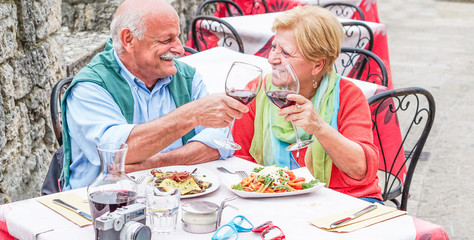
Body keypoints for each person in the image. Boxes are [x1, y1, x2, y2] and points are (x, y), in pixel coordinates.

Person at [61, 0, 248, 190]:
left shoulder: (187, 77)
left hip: (173, 200)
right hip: (99, 207)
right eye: (166, 40)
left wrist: (153, 165)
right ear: (129, 40)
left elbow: (218, 143)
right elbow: (116, 153)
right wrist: (192, 115)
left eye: (177, 37)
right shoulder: (90, 86)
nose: (179, 49)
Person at [232, 5, 382, 203]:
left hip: (345, 200)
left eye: (285, 53)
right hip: (275, 200)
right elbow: (240, 161)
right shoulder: (258, 90)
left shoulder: (348, 96)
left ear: (318, 64)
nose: (271, 59)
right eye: (273, 47)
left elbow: (361, 170)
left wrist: (319, 128)